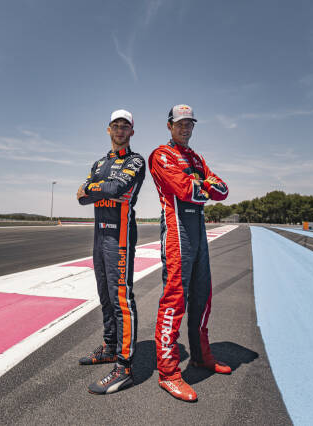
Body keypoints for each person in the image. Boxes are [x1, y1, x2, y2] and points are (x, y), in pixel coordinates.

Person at [148, 104, 231, 402]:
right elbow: (186, 190)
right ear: (169, 125)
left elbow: (223, 189)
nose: (185, 128)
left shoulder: (196, 158)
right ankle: (168, 373)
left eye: (190, 124)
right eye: (180, 124)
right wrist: (202, 185)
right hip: (176, 230)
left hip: (198, 229)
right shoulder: (160, 155)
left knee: (203, 293)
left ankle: (200, 355)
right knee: (175, 297)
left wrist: (202, 186)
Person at [76, 109, 145, 395]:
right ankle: (109, 346)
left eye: (125, 126)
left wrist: (96, 188)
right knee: (104, 293)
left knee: (121, 298)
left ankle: (124, 366)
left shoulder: (135, 160)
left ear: (131, 131)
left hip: (120, 236)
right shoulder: (100, 162)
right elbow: (82, 197)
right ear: (108, 129)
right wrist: (99, 188)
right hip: (99, 234)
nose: (120, 130)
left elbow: (118, 187)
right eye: (115, 126)